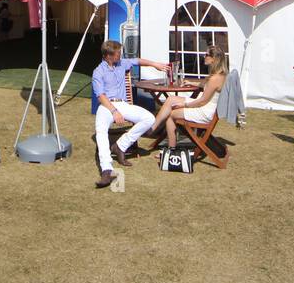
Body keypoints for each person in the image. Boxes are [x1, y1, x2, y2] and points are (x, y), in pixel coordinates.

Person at [92, 39, 170, 188]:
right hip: (106, 105)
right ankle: (107, 169)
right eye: (117, 54)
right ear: (108, 56)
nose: (120, 56)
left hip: (122, 104)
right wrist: (114, 111)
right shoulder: (98, 72)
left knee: (149, 118)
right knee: (100, 130)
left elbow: (138, 61)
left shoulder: (122, 63)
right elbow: (101, 96)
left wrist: (156, 65)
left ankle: (120, 145)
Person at [148, 44, 229, 150]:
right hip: (206, 108)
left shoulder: (215, 78)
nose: (204, 56)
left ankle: (171, 149)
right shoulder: (219, 75)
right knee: (170, 99)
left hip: (204, 112)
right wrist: (191, 82)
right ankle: (153, 127)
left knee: (170, 115)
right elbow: (205, 86)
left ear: (214, 59)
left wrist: (184, 104)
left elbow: (202, 102)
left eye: (206, 55)